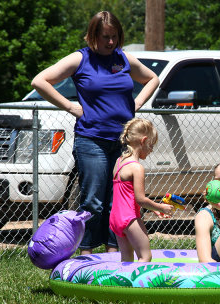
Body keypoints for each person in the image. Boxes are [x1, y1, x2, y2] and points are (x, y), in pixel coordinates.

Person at [31, 11, 159, 255]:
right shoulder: (81, 59)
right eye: (104, 37)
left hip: (123, 143)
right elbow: (40, 81)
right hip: (92, 141)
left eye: (114, 36)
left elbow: (152, 78)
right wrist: (69, 106)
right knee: (93, 202)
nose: (110, 42)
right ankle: (86, 255)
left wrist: (137, 103)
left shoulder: (123, 59)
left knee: (119, 203)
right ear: (92, 36)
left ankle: (115, 255)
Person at [109, 118, 172, 262]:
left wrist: (153, 209)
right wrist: (160, 206)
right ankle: (140, 285)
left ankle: (123, 284)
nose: (151, 150)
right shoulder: (137, 167)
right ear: (143, 141)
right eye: (151, 145)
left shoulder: (119, 162)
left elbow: (126, 194)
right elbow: (140, 199)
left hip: (115, 217)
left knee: (126, 258)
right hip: (129, 218)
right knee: (145, 256)